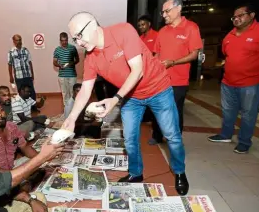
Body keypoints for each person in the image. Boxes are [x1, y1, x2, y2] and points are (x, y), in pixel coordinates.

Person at [63, 12, 188, 195]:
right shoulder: (91, 58)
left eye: (79, 36)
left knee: (172, 135)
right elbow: (85, 90)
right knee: (129, 139)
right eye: (75, 39)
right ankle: (136, 173)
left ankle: (179, 172)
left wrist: (115, 99)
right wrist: (72, 118)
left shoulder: (123, 31)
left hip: (158, 89)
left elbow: (137, 71)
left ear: (92, 25)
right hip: (131, 97)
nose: (79, 43)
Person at [208, 4, 259, 153]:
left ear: (252, 15)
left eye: (240, 15)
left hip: (251, 83)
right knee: (228, 111)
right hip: (228, 82)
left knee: (248, 114)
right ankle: (225, 135)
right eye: (234, 17)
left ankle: (244, 142)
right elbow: (226, 53)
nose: (236, 19)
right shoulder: (229, 35)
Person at [150, 0, 203, 145]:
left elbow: (194, 54)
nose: (164, 15)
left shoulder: (191, 28)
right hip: (160, 80)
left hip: (178, 80)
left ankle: (175, 138)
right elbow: (156, 54)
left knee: (174, 111)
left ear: (178, 8)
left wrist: (173, 62)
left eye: (167, 11)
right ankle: (157, 135)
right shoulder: (162, 31)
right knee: (158, 108)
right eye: (163, 12)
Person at [0, 97, 40, 171]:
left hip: (12, 167)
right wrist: (14, 176)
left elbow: (25, 147)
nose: (0, 115)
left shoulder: (11, 126)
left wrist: (42, 159)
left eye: (1, 110)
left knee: (39, 165)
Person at [8, 34, 38, 111]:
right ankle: (24, 108)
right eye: (17, 40)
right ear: (14, 41)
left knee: (31, 91)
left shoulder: (26, 50)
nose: (19, 42)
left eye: (20, 40)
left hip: (28, 75)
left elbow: (30, 62)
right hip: (19, 76)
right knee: (22, 93)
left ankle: (33, 107)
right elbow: (10, 64)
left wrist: (32, 74)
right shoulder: (11, 52)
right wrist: (11, 76)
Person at [53, 32, 80, 106]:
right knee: (65, 93)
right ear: (60, 40)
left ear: (68, 39)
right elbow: (54, 62)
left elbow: (77, 60)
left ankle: (74, 109)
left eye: (66, 40)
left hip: (72, 75)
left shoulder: (73, 48)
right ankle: (66, 110)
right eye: (62, 40)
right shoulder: (57, 50)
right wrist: (59, 65)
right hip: (62, 75)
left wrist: (71, 63)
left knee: (73, 93)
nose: (64, 42)